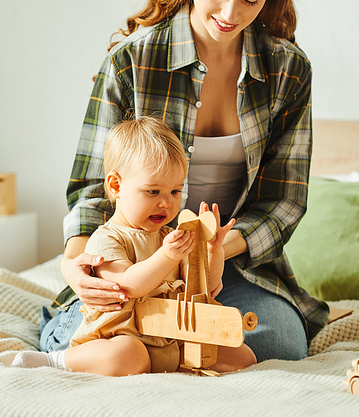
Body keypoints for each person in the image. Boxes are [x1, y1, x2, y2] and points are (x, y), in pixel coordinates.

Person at [39, 0, 329, 363]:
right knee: (103, 335)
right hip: (129, 260)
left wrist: (207, 249)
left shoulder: (289, 70)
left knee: (276, 341)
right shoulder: (132, 62)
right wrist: (77, 268)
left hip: (229, 269)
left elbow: (284, 201)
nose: (231, 13)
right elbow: (93, 190)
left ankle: (161, 352)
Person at [13, 117, 256, 375]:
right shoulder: (106, 238)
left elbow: (204, 283)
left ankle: (172, 362)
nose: (166, 203)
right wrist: (166, 255)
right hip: (124, 335)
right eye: (153, 192)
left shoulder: (169, 236)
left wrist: (213, 250)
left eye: (175, 192)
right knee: (129, 356)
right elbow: (129, 285)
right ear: (116, 186)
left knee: (242, 356)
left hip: (170, 335)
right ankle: (56, 360)